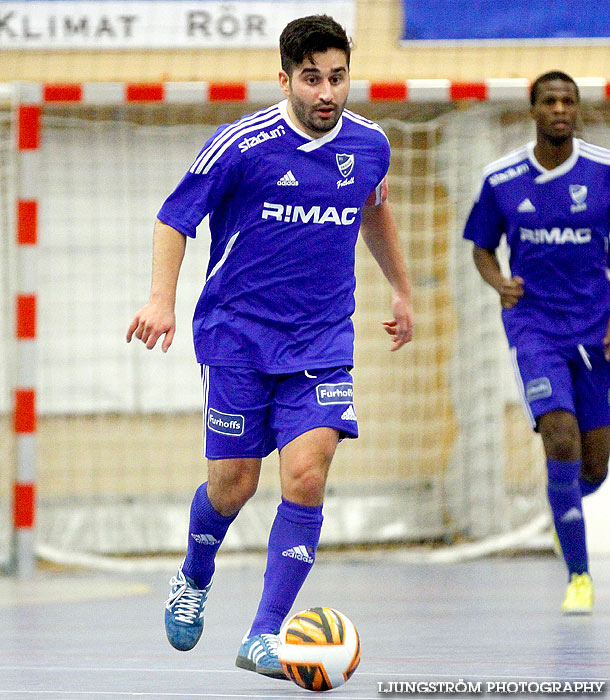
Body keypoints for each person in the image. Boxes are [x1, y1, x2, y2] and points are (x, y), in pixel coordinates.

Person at [126, 14, 413, 678]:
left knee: (307, 476)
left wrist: (401, 288)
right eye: (312, 78)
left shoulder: (370, 145)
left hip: (322, 340)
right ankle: (195, 576)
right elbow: (175, 218)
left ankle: (264, 633)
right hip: (236, 339)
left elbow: (373, 208)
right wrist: (162, 299)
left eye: (338, 78)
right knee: (232, 486)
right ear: (285, 79)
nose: (326, 93)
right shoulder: (240, 145)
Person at [463, 70, 610, 615]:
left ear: (578, 110)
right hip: (534, 327)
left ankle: (562, 509)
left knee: (595, 465)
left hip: (596, 329)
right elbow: (481, 247)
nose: (559, 109)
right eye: (549, 100)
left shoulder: (603, 172)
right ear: (533, 110)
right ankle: (579, 578)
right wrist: (498, 281)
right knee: (562, 438)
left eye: (568, 101)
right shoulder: (503, 178)